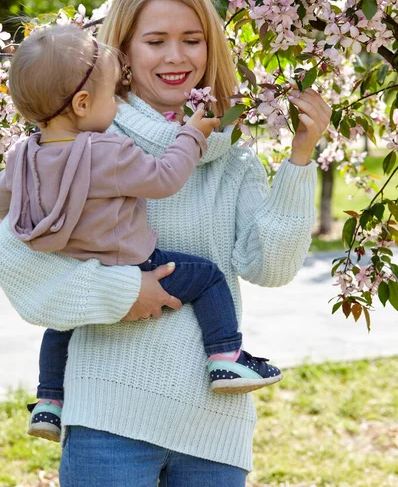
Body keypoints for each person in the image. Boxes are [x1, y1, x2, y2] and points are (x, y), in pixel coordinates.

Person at [0, 0, 331, 486]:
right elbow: (21, 269)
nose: (177, 57)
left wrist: (300, 159)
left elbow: (272, 268)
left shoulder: (232, 157)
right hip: (107, 419)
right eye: (156, 41)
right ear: (124, 54)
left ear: (210, 48)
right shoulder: (79, 144)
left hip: (213, 427)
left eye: (192, 40)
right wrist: (125, 289)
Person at [0, 23, 283, 443]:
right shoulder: (105, 151)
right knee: (207, 277)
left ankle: (49, 400)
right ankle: (225, 355)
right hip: (135, 262)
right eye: (111, 94)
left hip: (77, 263)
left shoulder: (22, 157)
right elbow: (165, 178)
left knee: (63, 326)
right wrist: (192, 136)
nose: (116, 103)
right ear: (82, 103)